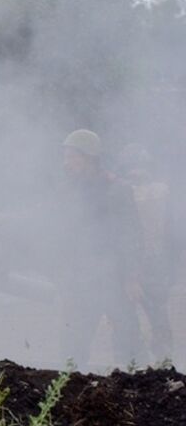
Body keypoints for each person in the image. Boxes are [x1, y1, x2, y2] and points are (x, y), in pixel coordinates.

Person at [56, 129, 142, 366]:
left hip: (115, 278)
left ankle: (134, 389)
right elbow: (46, 218)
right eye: (66, 157)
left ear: (89, 158)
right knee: (73, 346)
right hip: (81, 280)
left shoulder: (117, 190)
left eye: (72, 157)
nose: (67, 163)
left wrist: (132, 278)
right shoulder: (69, 190)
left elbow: (132, 236)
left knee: (129, 343)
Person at [118, 143, 175, 360]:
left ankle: (156, 365)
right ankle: (143, 365)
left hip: (149, 263)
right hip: (141, 262)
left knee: (153, 317)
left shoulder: (153, 192)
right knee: (131, 319)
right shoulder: (161, 191)